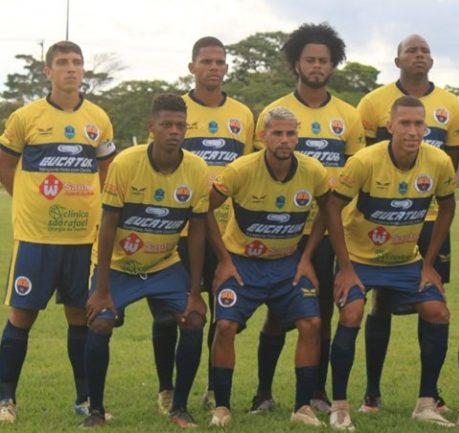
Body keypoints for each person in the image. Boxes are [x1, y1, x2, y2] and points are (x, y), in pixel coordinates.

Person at [250, 22, 364, 414]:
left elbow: (354, 175)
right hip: (283, 228)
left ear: (333, 65)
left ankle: (316, 391)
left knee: (322, 311)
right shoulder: (274, 112)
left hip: (329, 230)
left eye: (324, 60)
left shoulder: (348, 116)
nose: (317, 66)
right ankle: (263, 393)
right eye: (310, 59)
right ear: (296, 63)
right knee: (277, 311)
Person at [0, 41, 115, 423]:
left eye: (76, 62)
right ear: (47, 71)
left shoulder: (98, 118)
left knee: (80, 317)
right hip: (36, 238)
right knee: (22, 316)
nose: (70, 68)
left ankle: (84, 398)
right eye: (62, 62)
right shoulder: (26, 117)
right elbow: (4, 165)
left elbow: (107, 173)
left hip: (83, 239)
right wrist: (27, 200)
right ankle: (5, 400)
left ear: (83, 70)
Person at [325, 95, 456, 430]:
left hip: (405, 260)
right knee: (352, 313)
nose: (412, 131)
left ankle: (426, 403)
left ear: (425, 128)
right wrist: (346, 268)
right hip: (359, 259)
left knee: (438, 312)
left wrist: (429, 264)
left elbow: (448, 207)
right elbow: (332, 209)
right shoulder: (364, 161)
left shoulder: (438, 161)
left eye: (418, 124)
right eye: (405, 123)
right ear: (390, 127)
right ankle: (339, 406)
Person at [80, 94, 209, 428]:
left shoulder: (196, 169)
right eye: (166, 125)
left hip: (163, 264)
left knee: (194, 319)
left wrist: (195, 292)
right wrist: (102, 289)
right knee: (100, 322)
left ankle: (179, 407)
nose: (174, 131)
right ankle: (96, 411)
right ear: (151, 127)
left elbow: (197, 232)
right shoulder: (126, 163)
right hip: (119, 266)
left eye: (180, 126)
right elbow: (108, 226)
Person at [355, 34, 459, 413]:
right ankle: (371, 393)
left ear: (432, 60)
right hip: (384, 218)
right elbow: (367, 159)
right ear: (397, 59)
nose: (420, 56)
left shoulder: (451, 104)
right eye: (412, 51)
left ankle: (429, 392)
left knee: (430, 297)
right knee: (380, 301)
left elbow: (450, 166)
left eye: (425, 51)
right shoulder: (373, 102)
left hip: (428, 218)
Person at [148, 36, 254, 415]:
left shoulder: (243, 115)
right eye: (206, 61)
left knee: (221, 312)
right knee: (168, 315)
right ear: (192, 67)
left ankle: (212, 386)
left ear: (227, 67)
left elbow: (246, 173)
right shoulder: (176, 111)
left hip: (224, 234)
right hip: (175, 231)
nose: (213, 67)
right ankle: (166, 388)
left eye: (219, 62)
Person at [207, 107, 330, 428]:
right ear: (263, 136)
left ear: (297, 137)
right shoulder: (240, 169)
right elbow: (203, 208)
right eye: (277, 133)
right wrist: (223, 260)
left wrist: (306, 257)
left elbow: (328, 210)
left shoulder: (313, 170)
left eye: (291, 133)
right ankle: (222, 407)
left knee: (312, 323)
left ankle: (302, 407)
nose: (284, 140)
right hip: (242, 264)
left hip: (288, 263)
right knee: (225, 327)